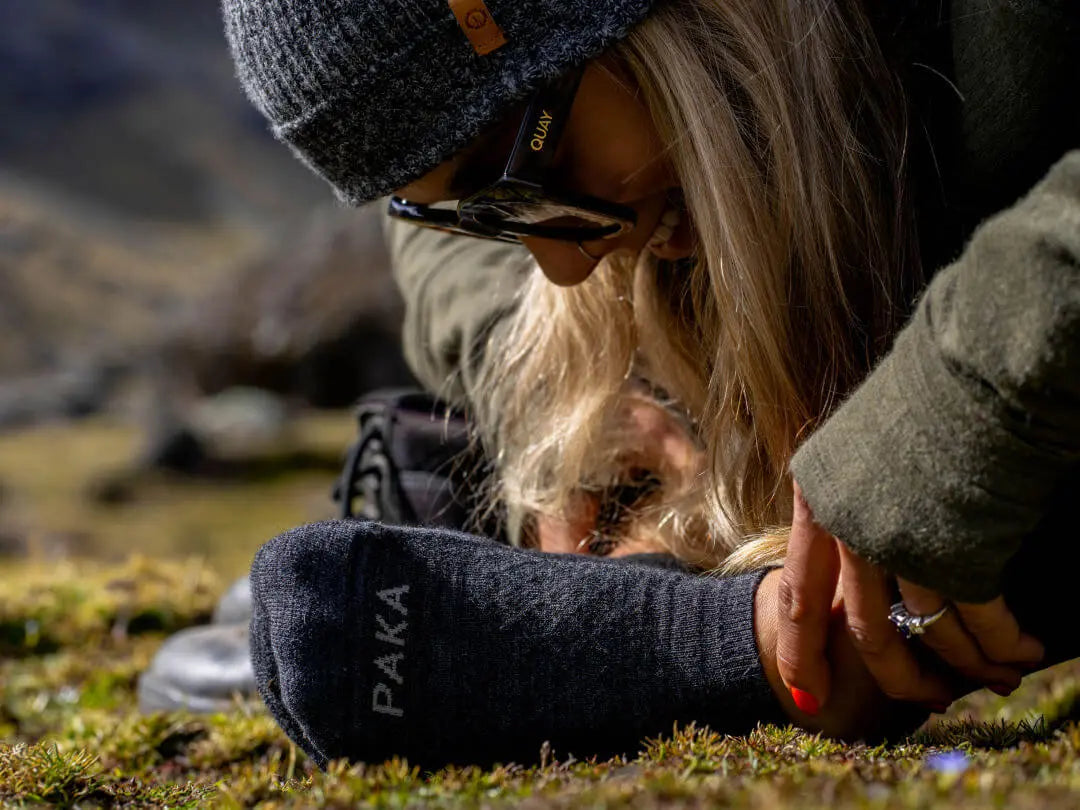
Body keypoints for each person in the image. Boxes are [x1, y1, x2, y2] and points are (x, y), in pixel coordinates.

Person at [222, 0, 1080, 768]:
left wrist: (964, 401)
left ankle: (773, 646)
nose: (564, 265)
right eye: (483, 211)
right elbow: (439, 172)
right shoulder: (554, 124)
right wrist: (540, 386)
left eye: (522, 164)